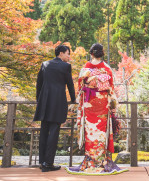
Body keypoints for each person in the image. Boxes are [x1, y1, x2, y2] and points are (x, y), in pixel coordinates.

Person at [66, 43, 127, 175]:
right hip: (102, 103)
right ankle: (102, 160)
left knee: (90, 132)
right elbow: (110, 88)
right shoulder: (106, 68)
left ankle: (90, 161)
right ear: (102, 53)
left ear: (91, 53)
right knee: (100, 132)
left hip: (89, 103)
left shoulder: (86, 67)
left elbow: (81, 86)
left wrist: (90, 81)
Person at [33, 44, 76, 172]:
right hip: (57, 102)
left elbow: (39, 83)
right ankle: (49, 163)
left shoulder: (45, 64)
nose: (69, 56)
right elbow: (70, 84)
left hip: (44, 102)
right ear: (61, 53)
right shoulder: (66, 66)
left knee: (44, 131)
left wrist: (38, 100)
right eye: (68, 53)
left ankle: (42, 162)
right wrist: (73, 99)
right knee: (54, 131)